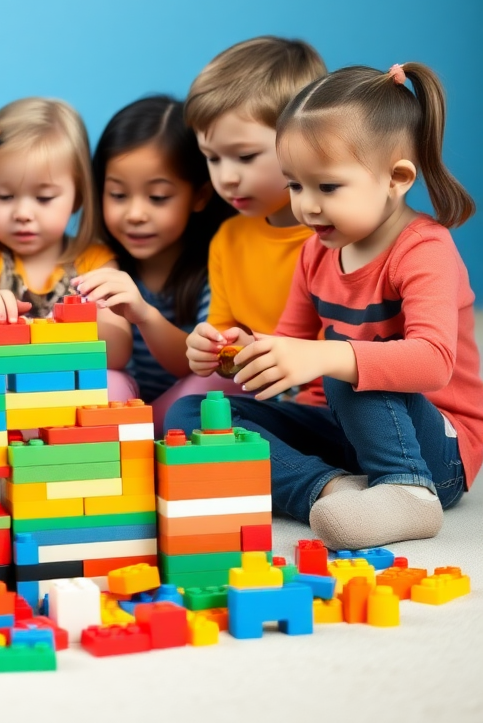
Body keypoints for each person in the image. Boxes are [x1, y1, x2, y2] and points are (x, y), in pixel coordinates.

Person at [166, 63, 483, 549]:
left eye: (327, 187)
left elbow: (434, 361)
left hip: (437, 451)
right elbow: (288, 348)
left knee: (348, 359)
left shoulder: (425, 250)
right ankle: (331, 489)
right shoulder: (316, 250)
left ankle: (407, 490)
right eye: (295, 185)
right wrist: (236, 351)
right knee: (192, 415)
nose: (307, 207)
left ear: (396, 178)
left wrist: (328, 357)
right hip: (346, 433)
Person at [73, 96, 233, 430]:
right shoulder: (100, 262)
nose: (135, 215)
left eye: (158, 197)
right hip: (123, 404)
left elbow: (197, 367)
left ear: (200, 196)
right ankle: (132, 432)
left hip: (180, 407)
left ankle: (142, 433)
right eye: (118, 195)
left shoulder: (214, 266)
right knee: (103, 380)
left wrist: (145, 315)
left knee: (222, 384)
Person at [182, 36, 327, 401]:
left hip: (334, 397)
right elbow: (225, 339)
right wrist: (208, 348)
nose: (226, 177)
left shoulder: (337, 238)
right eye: (212, 158)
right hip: (266, 391)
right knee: (185, 412)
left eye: (244, 157)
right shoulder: (228, 239)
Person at [0, 97, 133, 390]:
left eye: (44, 198)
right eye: (4, 196)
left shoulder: (95, 260)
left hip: (74, 386)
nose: (23, 214)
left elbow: (117, 351)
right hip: (6, 386)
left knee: (114, 385)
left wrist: (66, 328)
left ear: (77, 196)